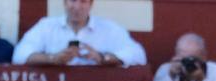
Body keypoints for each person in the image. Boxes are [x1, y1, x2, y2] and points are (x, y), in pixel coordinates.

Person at [12, 0, 145, 67]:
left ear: (91, 4)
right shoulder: (47, 26)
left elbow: (139, 55)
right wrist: (52, 59)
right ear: (64, 3)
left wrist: (102, 58)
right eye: (73, 0)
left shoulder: (108, 28)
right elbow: (19, 55)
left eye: (83, 1)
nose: (77, 7)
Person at [152, 32, 216, 81]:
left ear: (204, 57)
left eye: (192, 59)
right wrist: (171, 76)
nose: (187, 63)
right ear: (176, 55)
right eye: (183, 59)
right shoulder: (165, 69)